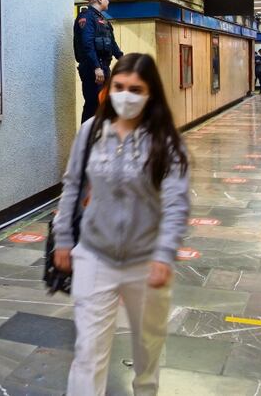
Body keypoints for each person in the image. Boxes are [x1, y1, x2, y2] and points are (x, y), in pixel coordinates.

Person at [53, 53, 190, 396]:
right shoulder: (91, 131)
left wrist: (164, 255)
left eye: (136, 89)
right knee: (88, 353)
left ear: (150, 93)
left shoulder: (166, 141)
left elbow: (176, 203)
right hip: (94, 256)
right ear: (109, 88)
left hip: (146, 263)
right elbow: (72, 184)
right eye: (119, 87)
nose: (125, 96)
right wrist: (63, 238)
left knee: (147, 350)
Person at [73, 0, 124, 123]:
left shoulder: (103, 19)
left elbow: (112, 43)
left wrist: (123, 59)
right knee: (93, 104)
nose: (108, 1)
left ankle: (100, 133)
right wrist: (96, 67)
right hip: (93, 69)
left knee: (104, 104)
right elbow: (87, 44)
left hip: (103, 67)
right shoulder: (86, 17)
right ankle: (87, 135)